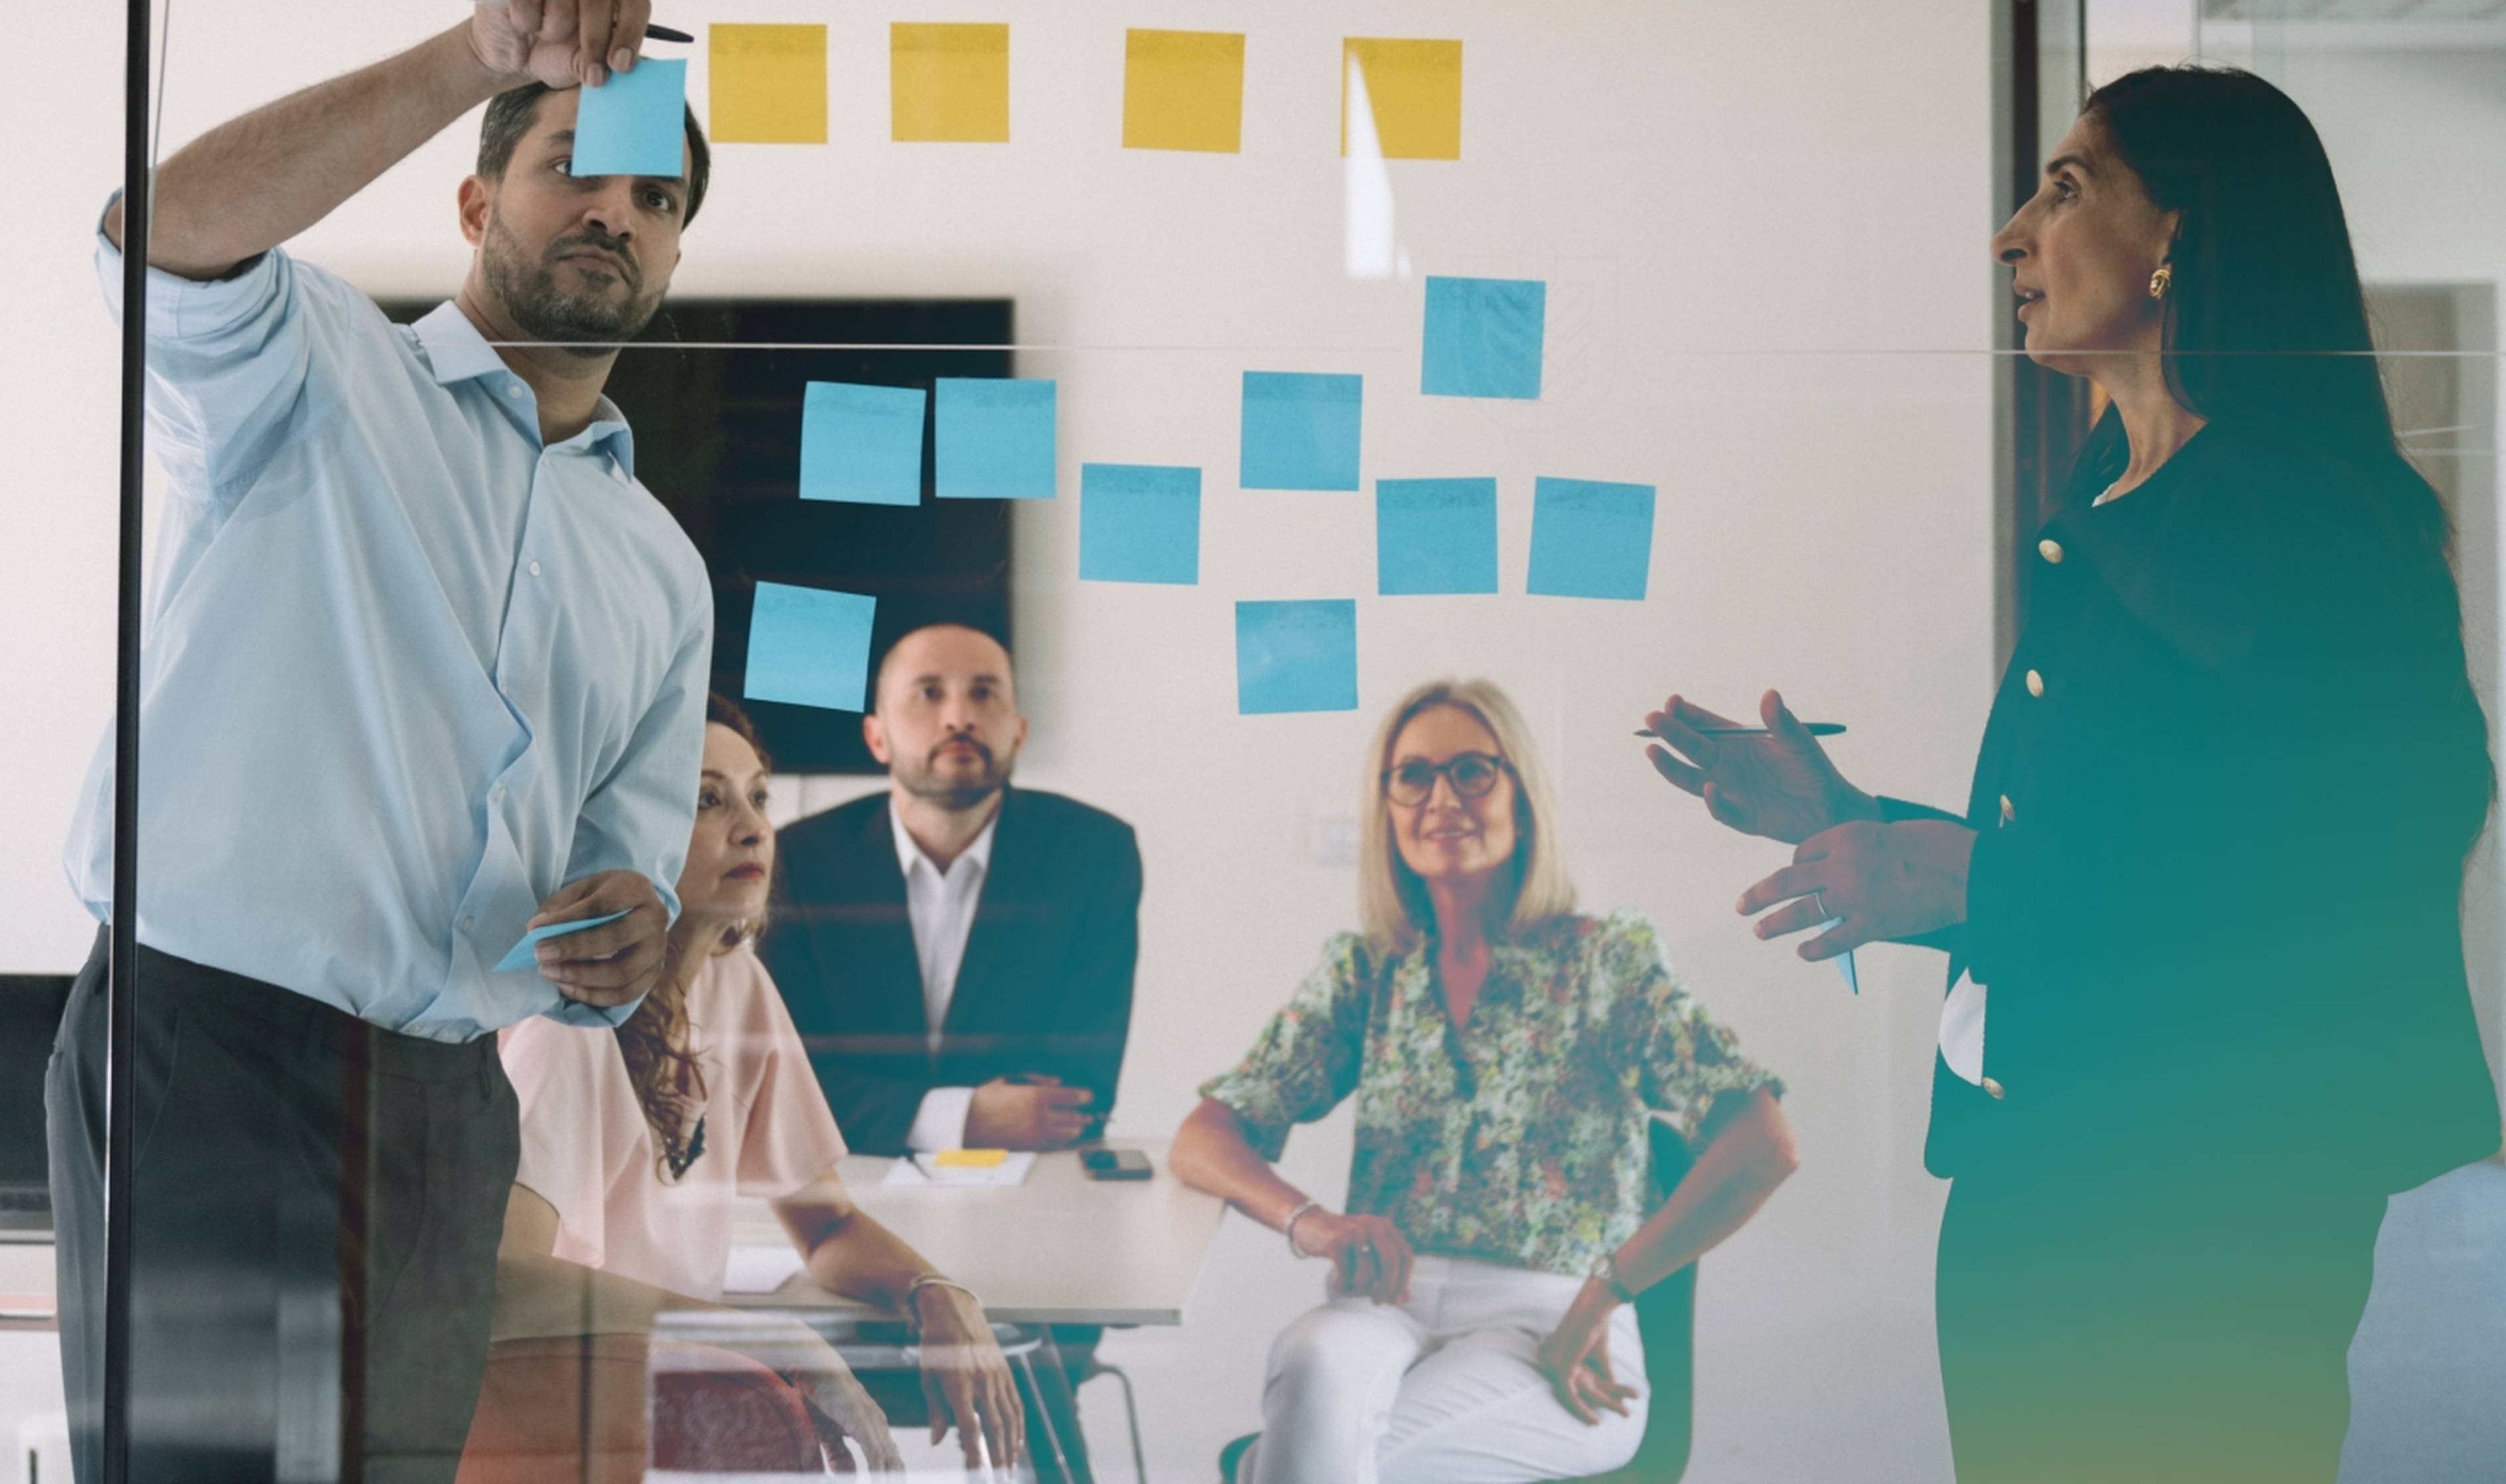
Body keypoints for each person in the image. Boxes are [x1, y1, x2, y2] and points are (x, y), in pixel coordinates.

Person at [1644, 64, 2502, 1483]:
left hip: (2198, 1200)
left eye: (2066, 186)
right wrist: (1860, 825)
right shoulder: (2116, 500)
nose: (2011, 236)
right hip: (2045, 1157)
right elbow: (2124, 847)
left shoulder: (2300, 518)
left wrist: (1976, 873)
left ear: (2182, 235)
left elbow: (2364, 863)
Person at [48, 0, 714, 1484]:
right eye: (573, 168)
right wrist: (478, 56)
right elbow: (153, 241)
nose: (615, 210)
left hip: (444, 1102)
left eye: (656, 200)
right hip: (206, 1044)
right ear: (479, 203)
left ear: (674, 259)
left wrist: (626, 921)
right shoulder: (317, 367)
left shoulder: (662, 571)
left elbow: (627, 872)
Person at [1171, 678, 1796, 1484]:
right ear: (1386, 807)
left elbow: (1763, 1147)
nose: (1442, 798)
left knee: (1329, 1460)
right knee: (1311, 1360)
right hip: (1381, 1307)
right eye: (1413, 775)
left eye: (1473, 770)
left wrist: (1608, 1289)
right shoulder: (1366, 971)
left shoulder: (1607, 961)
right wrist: (1314, 1223)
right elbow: (1203, 1139)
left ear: (1522, 794)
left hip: (1556, 1324)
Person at [479, 694, 1026, 1479]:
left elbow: (827, 1225)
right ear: (621, 826)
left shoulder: (737, 982)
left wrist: (936, 1291)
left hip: (677, 1408)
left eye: (759, 796)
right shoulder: (568, 1016)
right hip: (561, 1424)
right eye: (707, 799)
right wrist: (770, 1338)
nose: (753, 826)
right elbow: (502, 1284)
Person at [758, 623, 1142, 1159]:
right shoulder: (798, 859)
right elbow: (782, 1079)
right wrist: (966, 1117)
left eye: (984, 693)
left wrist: (893, 1108)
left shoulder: (1095, 854)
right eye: (929, 692)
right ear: (877, 736)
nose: (959, 717)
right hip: (850, 1179)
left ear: (1018, 732)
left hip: (1029, 1181)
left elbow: (1079, 1089)